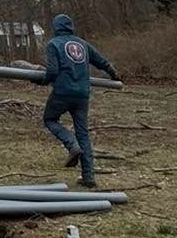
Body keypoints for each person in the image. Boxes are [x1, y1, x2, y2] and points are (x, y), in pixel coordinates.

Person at [39, 13, 120, 189]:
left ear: (55, 28)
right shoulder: (83, 44)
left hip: (62, 92)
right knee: (83, 133)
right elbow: (102, 62)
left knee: (50, 119)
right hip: (82, 94)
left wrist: (40, 80)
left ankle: (71, 145)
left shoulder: (54, 44)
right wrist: (115, 75)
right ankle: (88, 176)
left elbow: (52, 72)